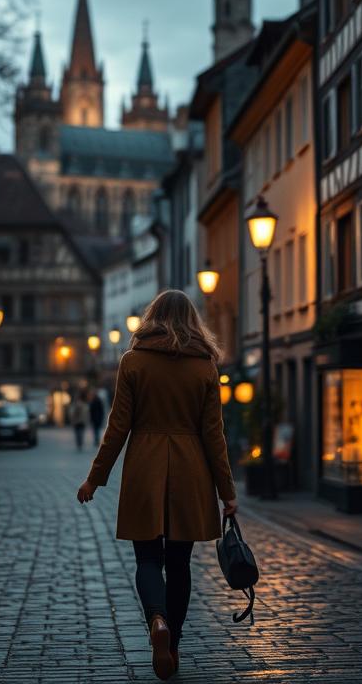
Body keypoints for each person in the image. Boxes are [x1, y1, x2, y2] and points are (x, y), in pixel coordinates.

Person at [76, 290, 237, 681]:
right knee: (180, 564)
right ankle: (174, 643)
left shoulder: (133, 362)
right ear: (191, 320)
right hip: (191, 471)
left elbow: (117, 428)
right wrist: (227, 492)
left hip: (145, 469)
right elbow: (214, 435)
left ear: (152, 317)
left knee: (148, 560)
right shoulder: (205, 366)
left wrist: (95, 479)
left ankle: (157, 620)